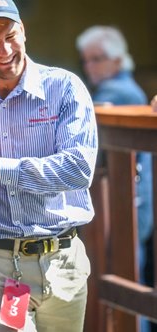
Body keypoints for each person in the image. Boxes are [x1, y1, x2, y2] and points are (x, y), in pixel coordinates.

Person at [0, 0, 98, 332]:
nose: (5, 51)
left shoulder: (65, 88)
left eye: (11, 35)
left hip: (64, 261)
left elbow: (79, 169)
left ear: (24, 30)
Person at [76, 25, 153, 332]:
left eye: (97, 59)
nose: (90, 67)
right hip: (132, 208)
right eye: (86, 60)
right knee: (129, 292)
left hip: (126, 210)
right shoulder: (124, 88)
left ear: (119, 60)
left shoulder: (117, 93)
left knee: (127, 297)